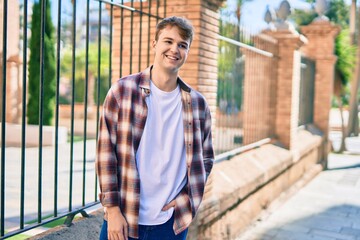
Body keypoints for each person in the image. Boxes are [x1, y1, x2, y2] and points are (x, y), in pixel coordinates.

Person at [96, 16, 214, 240]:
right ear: (154, 44)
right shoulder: (122, 91)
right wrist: (112, 210)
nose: (174, 49)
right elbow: (105, 154)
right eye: (168, 41)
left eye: (182, 45)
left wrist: (185, 200)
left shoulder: (198, 104)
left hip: (170, 224)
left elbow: (206, 159)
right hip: (123, 218)